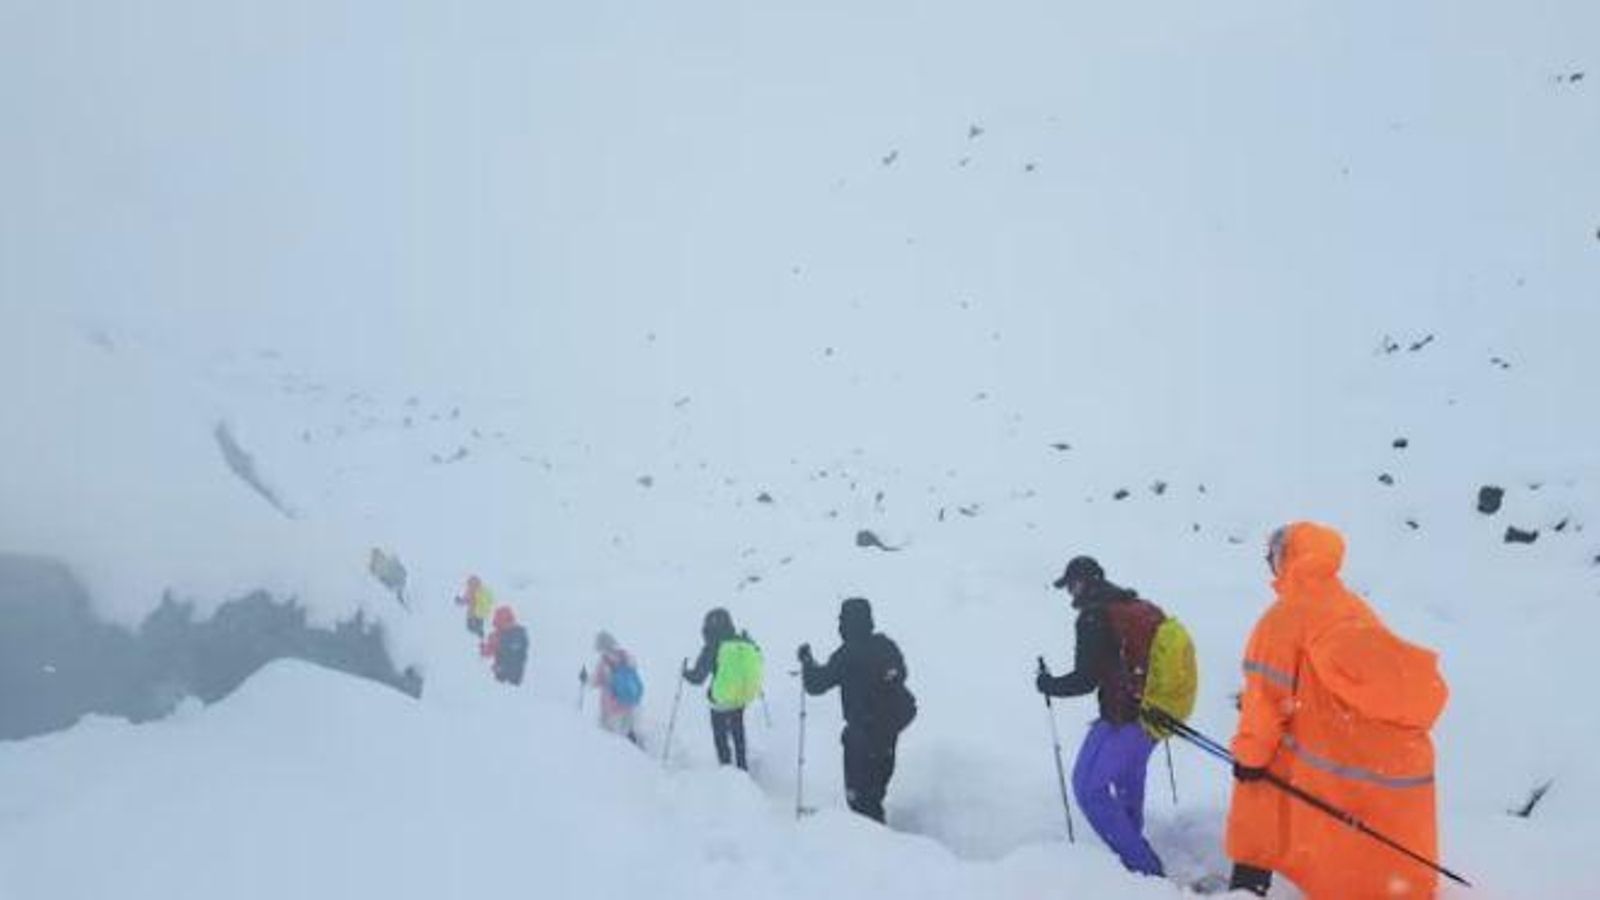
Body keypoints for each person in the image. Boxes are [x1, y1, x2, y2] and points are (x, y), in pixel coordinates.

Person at [1226, 522, 1447, 898]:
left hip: (1307, 756)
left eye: (1271, 557)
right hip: (1358, 755)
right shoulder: (1353, 606)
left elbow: (1264, 700)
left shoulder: (1282, 619)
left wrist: (1250, 755)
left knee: (1261, 821)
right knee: (1348, 843)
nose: (1269, 565)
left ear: (1285, 558)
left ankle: (1248, 889)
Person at [1035, 555, 1165, 878]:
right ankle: (1134, 862)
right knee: (1127, 781)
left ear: (1082, 583)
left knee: (1087, 787)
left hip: (1123, 716)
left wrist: (1048, 684)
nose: (1070, 594)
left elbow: (1085, 679)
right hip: (1155, 715)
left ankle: (1145, 870)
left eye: (1071, 586)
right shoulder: (1133, 605)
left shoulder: (1094, 617)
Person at [799, 596, 916, 824]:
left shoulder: (847, 654)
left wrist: (806, 661)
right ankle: (882, 843)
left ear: (846, 624)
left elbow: (816, 684)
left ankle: (872, 848)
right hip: (888, 733)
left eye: (841, 621)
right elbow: (901, 674)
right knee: (875, 795)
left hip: (862, 736)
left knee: (859, 799)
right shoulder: (885, 645)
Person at [681, 608, 759, 771]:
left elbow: (698, 677)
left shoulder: (712, 646)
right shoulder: (743, 642)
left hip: (720, 701)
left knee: (721, 736)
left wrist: (685, 673)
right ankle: (742, 767)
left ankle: (727, 772)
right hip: (740, 698)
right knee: (738, 732)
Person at [590, 631, 642, 744]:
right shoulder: (626, 655)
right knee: (628, 732)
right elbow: (633, 673)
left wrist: (589, 681)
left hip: (612, 706)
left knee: (609, 738)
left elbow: (595, 682)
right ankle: (637, 751)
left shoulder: (604, 661)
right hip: (629, 703)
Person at [480, 606, 528, 685]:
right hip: (500, 676)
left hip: (514, 676)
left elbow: (515, 650)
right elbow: (489, 651)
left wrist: (499, 643)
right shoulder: (496, 634)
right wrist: (484, 649)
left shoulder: (518, 633)